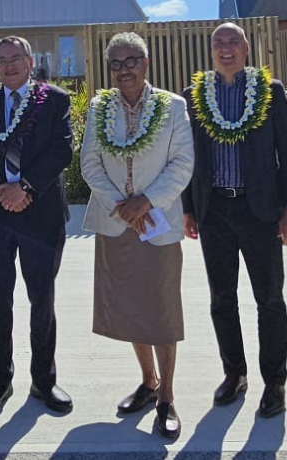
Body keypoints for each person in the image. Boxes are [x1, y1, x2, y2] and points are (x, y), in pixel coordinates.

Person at [181, 22, 287, 419]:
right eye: (219, 43)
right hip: (214, 210)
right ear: (211, 50)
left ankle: (274, 383)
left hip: (261, 211)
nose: (226, 48)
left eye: (233, 42)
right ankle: (234, 374)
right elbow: (187, 157)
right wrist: (189, 208)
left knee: (269, 299)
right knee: (222, 300)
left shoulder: (270, 92)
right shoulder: (195, 96)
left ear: (247, 48)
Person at [81, 32, 194, 440]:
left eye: (131, 61)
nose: (124, 69)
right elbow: (90, 163)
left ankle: (167, 396)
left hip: (157, 222)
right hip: (116, 222)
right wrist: (121, 205)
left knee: (161, 309)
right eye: (116, 63)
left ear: (145, 64)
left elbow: (183, 164)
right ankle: (148, 383)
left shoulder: (173, 107)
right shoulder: (99, 108)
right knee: (130, 307)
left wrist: (145, 202)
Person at [0, 35, 74, 417]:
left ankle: (44, 380)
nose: (9, 65)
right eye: (2, 60)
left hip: (41, 213)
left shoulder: (54, 99)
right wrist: (4, 191)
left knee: (41, 299)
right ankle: (0, 379)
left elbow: (62, 148)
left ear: (31, 62)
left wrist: (24, 188)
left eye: (16, 58)